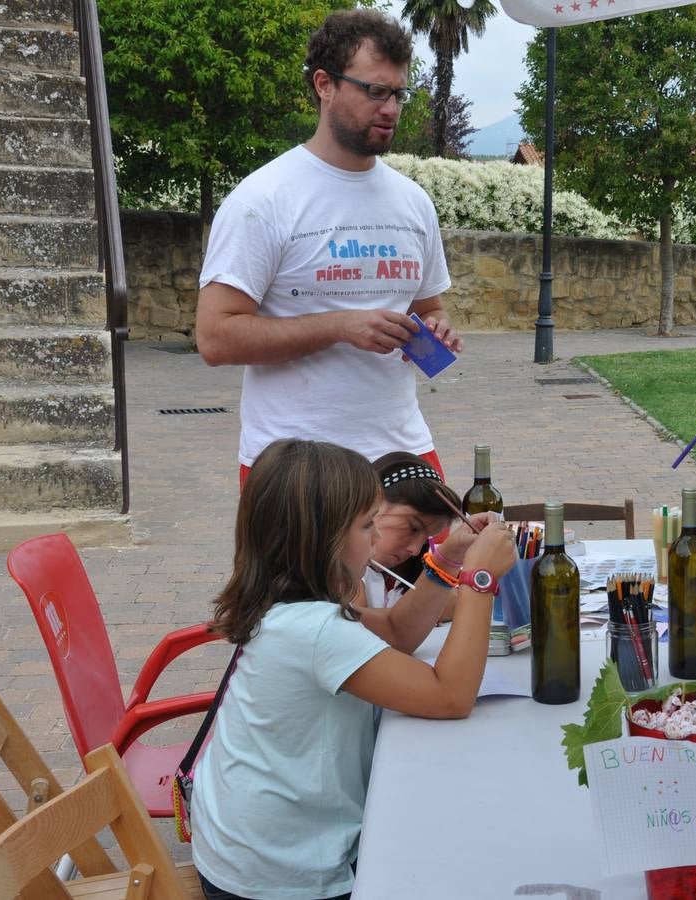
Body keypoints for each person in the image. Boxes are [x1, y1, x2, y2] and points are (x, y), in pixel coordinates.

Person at [190, 438, 515, 900]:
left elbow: (394, 633)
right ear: (321, 538)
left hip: (247, 850)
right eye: (367, 526)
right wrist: (479, 581)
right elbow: (451, 696)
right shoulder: (315, 630)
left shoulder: (285, 602)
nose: (379, 539)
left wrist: (446, 561)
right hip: (282, 877)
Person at [194, 10, 460, 487]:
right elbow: (215, 338)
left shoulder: (413, 202)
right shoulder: (263, 199)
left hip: (403, 451)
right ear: (324, 84)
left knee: (442, 563)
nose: (391, 109)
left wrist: (435, 330)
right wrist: (341, 326)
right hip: (295, 465)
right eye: (375, 91)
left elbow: (430, 307)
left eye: (399, 93)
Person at [361, 450, 469, 627]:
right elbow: (365, 626)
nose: (415, 550)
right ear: (374, 502)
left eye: (426, 539)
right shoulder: (343, 570)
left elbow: (452, 602)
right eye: (413, 528)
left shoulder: (402, 573)